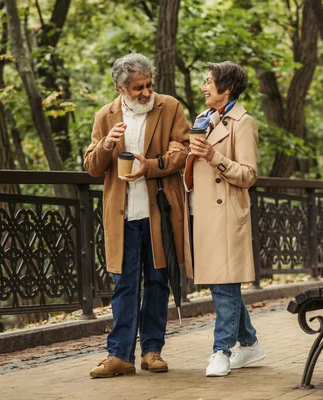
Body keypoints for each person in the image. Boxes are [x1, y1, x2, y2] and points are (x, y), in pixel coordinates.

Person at [84, 53, 189, 378]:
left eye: (148, 84)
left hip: (159, 212)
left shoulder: (169, 107)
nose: (146, 92)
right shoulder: (106, 116)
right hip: (123, 216)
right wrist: (105, 145)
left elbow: (184, 149)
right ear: (120, 87)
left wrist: (152, 166)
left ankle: (152, 351)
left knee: (158, 282)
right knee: (124, 285)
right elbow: (91, 167)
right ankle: (120, 356)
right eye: (137, 87)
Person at [182, 61, 266, 377]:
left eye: (208, 82)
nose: (204, 87)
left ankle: (222, 350)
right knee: (223, 285)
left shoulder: (243, 123)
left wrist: (213, 157)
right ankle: (250, 343)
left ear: (225, 88)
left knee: (223, 285)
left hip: (226, 214)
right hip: (202, 211)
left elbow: (248, 174)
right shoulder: (202, 119)